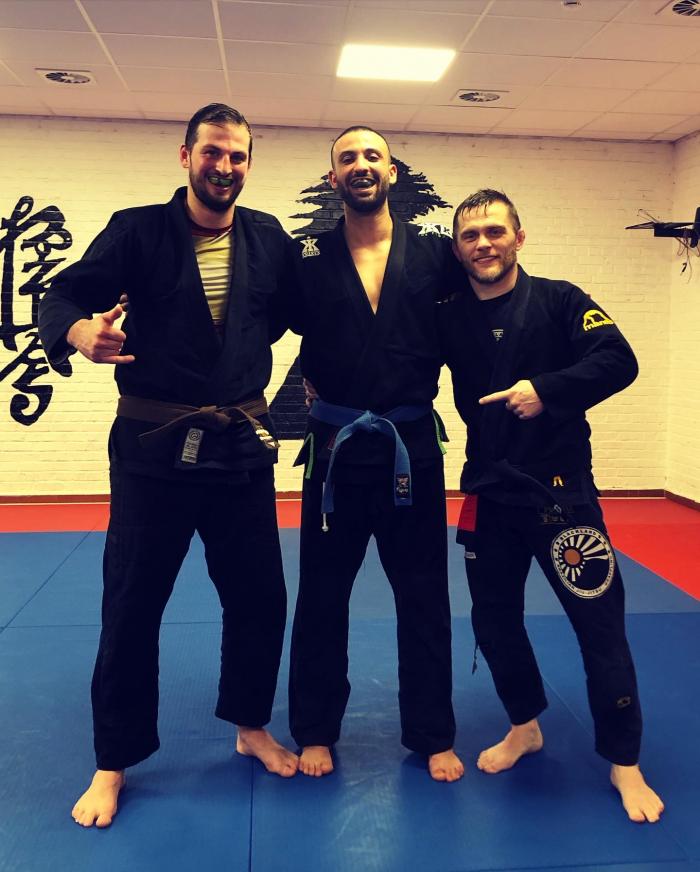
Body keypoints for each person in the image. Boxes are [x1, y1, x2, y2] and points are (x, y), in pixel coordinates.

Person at [38, 103, 298, 829]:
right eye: (213, 151)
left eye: (238, 155)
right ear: (186, 156)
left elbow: (286, 316)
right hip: (152, 450)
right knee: (131, 603)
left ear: (249, 164)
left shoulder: (268, 239)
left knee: (259, 597)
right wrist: (80, 331)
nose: (225, 166)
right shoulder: (138, 231)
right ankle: (113, 761)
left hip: (239, 448)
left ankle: (250, 725)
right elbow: (63, 294)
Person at [438, 188, 664, 823]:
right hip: (489, 493)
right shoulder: (448, 314)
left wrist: (547, 390)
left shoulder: (562, 300)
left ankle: (624, 761)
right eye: (470, 235)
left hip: (562, 494)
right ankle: (525, 725)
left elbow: (620, 360)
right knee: (494, 620)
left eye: (494, 231)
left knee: (599, 625)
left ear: (519, 237)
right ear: (457, 249)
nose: (483, 243)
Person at [287, 126, 464, 782]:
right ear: (333, 177)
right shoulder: (306, 258)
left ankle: (432, 732)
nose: (360, 165)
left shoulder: (437, 255)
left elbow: (486, 312)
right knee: (322, 595)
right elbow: (251, 322)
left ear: (392, 171)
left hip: (409, 448)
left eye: (372, 156)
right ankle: (315, 728)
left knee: (424, 594)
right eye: (347, 158)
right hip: (334, 448)